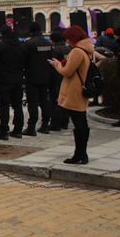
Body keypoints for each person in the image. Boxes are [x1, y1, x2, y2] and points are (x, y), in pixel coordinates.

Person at [48, 25, 94, 164]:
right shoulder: (88, 50)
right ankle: (81, 153)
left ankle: (79, 154)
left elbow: (67, 71)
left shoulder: (77, 52)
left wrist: (57, 65)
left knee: (79, 124)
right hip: (81, 90)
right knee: (81, 123)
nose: (67, 41)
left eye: (68, 38)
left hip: (74, 91)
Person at [0, 25, 25, 140]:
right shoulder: (20, 46)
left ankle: (3, 131)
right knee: (17, 105)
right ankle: (18, 130)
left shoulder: (1, 46)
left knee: (4, 105)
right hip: (18, 79)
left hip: (4, 80)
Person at [22, 22, 53, 134]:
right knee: (44, 100)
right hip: (45, 76)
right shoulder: (48, 43)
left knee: (33, 102)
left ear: (31, 31)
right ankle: (45, 125)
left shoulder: (29, 43)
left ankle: (31, 127)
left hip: (32, 76)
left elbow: (23, 60)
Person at [47, 30, 72, 131]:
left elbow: (52, 64)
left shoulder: (55, 50)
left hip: (56, 78)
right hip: (66, 78)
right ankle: (65, 122)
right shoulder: (68, 49)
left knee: (56, 101)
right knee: (65, 100)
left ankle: (55, 124)